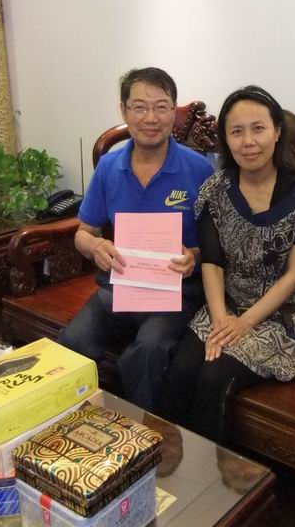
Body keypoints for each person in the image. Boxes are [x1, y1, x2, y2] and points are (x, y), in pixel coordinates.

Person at [157, 85, 295, 444]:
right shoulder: (215, 190)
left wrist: (245, 323)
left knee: (214, 377)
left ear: (277, 132)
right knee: (180, 370)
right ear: (226, 140)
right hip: (224, 308)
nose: (248, 141)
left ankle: (210, 475)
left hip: (278, 318)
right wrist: (221, 321)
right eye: (236, 131)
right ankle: (166, 465)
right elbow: (212, 263)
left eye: (258, 128)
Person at [58, 67, 213, 412]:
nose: (150, 118)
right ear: (124, 111)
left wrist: (194, 256)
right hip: (120, 287)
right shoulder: (109, 167)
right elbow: (84, 232)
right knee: (73, 341)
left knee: (150, 349)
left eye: (161, 107)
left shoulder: (199, 170)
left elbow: (217, 245)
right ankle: (73, 426)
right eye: (140, 107)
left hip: (175, 293)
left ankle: (144, 434)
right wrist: (96, 246)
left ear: (173, 112)